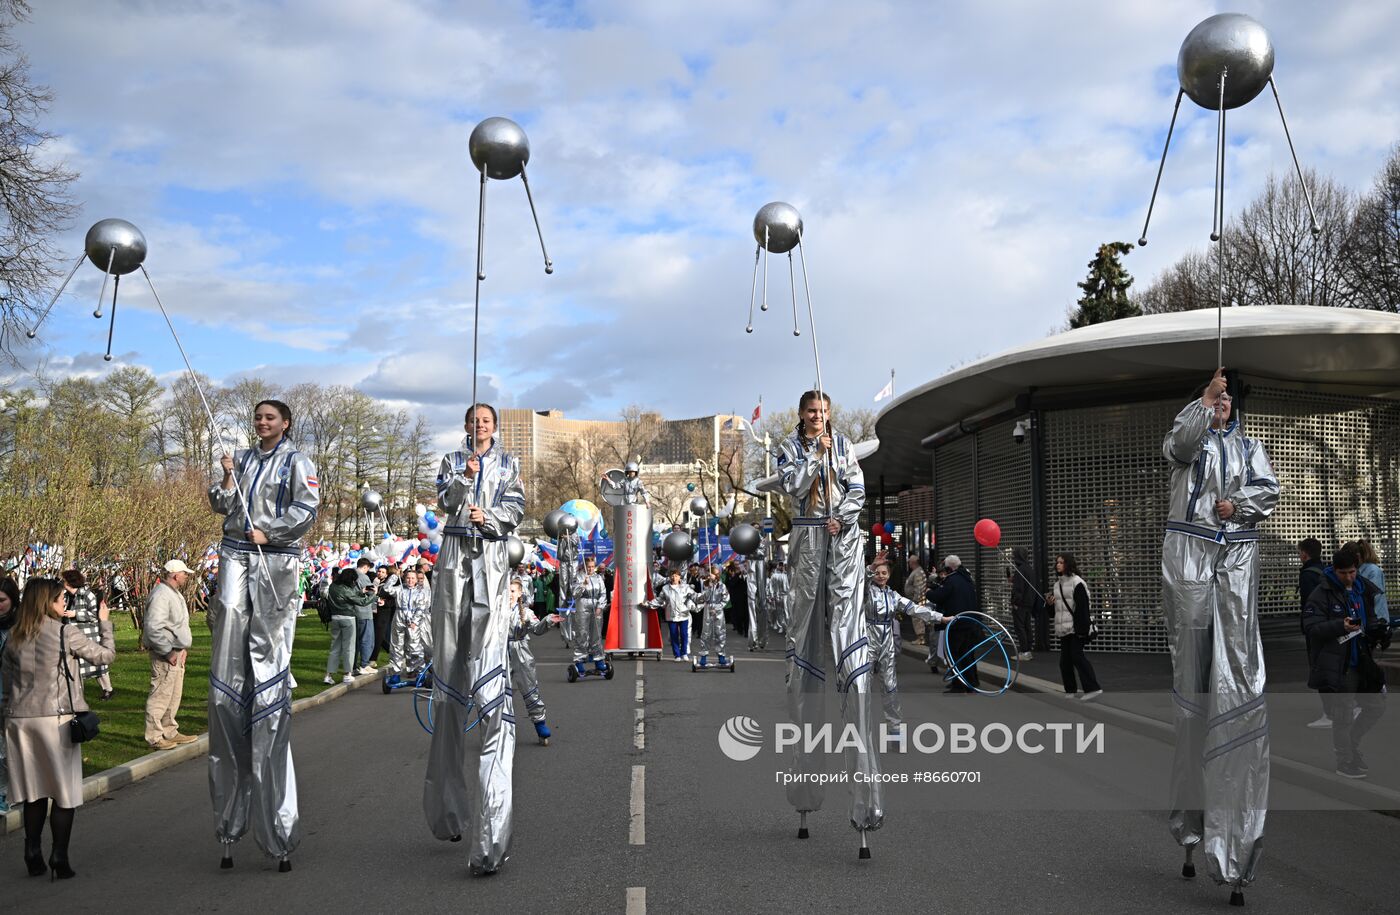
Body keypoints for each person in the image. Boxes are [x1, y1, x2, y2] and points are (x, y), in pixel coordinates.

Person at [1160, 368, 1279, 899]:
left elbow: (1268, 490)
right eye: (1216, 397)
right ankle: (1191, 825)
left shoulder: (1252, 448)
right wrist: (1202, 401)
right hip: (1188, 560)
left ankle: (1235, 845)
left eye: (1227, 398)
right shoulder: (1189, 440)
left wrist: (1240, 507)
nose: (1223, 403)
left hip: (1236, 562)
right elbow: (1180, 445)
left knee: (1238, 690)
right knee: (1193, 698)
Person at [755, 389, 881, 849]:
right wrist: (815, 456)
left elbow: (856, 489)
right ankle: (805, 791)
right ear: (801, 414)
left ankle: (866, 802)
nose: (818, 417)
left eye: (824, 412)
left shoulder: (845, 446)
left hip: (842, 543)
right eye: (812, 412)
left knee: (853, 661)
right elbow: (790, 485)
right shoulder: (792, 447)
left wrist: (844, 517)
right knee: (803, 665)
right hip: (807, 545)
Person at [208, 398, 320, 871]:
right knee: (230, 627)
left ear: (285, 423)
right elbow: (220, 505)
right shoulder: (244, 457)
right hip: (235, 553)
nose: (261, 422)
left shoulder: (298, 460)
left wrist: (271, 530)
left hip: (276, 558)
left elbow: (307, 505)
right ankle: (230, 821)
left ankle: (278, 828)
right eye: (257, 417)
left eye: (269, 417)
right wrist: (226, 477)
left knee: (269, 653)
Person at [423, 403, 525, 875]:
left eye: (486, 421)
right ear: (466, 425)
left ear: (494, 427)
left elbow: (517, 505)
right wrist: (463, 481)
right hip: (453, 561)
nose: (479, 426)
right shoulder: (451, 460)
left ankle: (491, 834)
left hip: (490, 558)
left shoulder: (509, 462)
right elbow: (444, 500)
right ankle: (446, 809)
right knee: (447, 680)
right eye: (474, 421)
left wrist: (491, 517)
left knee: (488, 681)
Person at [2, 577, 116, 879]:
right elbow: (105, 656)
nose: (64, 602)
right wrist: (105, 625)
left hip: (19, 719)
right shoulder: (65, 632)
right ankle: (59, 855)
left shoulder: (15, 635)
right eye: (59, 598)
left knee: (33, 792)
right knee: (64, 792)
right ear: (47, 601)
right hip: (56, 717)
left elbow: (6, 683)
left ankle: (32, 850)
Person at [1302, 547, 1389, 779]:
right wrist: (1340, 625)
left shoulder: (1363, 588)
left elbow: (1369, 620)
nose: (1349, 577)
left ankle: (1351, 745)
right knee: (1343, 714)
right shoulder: (1322, 593)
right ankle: (1345, 760)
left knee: (1376, 706)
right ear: (1334, 570)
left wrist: (1379, 630)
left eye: (1352, 572)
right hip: (1339, 663)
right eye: (1343, 573)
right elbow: (1311, 628)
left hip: (1363, 660)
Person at [865, 559, 943, 729]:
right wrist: (871, 567)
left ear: (889, 575)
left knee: (890, 687)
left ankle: (894, 729)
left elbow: (915, 608)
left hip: (887, 643)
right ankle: (860, 728)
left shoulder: (893, 596)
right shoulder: (866, 592)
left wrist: (941, 617)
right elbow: (860, 581)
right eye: (877, 573)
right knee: (862, 687)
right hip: (867, 643)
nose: (880, 576)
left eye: (884, 573)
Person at [141, 560, 199, 749]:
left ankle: (169, 730)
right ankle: (155, 736)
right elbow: (153, 628)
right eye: (184, 573)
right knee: (160, 695)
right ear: (175, 575)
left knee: (173, 695)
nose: (186, 576)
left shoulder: (171, 593)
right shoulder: (161, 595)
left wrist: (182, 649)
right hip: (166, 653)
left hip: (176, 652)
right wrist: (168, 651)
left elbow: (176, 625)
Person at [507, 580, 556, 745]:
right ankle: (500, 728)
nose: (510, 594)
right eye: (508, 591)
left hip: (520, 651)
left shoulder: (526, 612)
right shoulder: (497, 611)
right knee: (498, 690)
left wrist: (548, 620)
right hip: (500, 653)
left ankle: (540, 724)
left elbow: (537, 628)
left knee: (529, 688)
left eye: (513, 591)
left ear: (520, 593)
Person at [1046, 554, 1102, 701]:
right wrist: (1049, 604)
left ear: (1068, 564)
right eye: (1057, 562)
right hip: (1063, 629)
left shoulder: (1077, 583)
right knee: (1065, 661)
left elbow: (1083, 608)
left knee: (1076, 656)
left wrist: (1081, 630)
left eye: (1061, 562)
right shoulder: (1057, 585)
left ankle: (1093, 688)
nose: (1058, 565)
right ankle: (1070, 690)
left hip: (1076, 628)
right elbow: (1053, 613)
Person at [925, 555, 979, 692]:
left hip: (956, 623)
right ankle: (971, 681)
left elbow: (939, 596)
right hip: (970, 621)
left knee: (954, 654)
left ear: (949, 568)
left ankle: (959, 684)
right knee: (967, 654)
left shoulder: (952, 580)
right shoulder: (967, 578)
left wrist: (929, 592)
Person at [61, 571, 113, 701]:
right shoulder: (66, 596)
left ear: (69, 581)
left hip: (89, 634)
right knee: (77, 666)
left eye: (63, 580)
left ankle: (108, 690)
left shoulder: (87, 595)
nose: (61, 582)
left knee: (98, 665)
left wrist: (76, 614)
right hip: (74, 636)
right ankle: (78, 695)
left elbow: (95, 614)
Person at [1297, 538, 1330, 729]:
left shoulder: (1307, 575)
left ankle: (1330, 713)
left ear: (1304, 553)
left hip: (1315, 630)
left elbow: (1310, 605)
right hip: (1329, 626)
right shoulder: (1325, 571)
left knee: (1319, 668)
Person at [384, 567, 432, 684]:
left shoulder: (422, 592)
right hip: (399, 617)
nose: (410, 580)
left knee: (414, 646)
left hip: (413, 620)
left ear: (416, 580)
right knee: (396, 646)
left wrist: (415, 622)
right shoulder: (399, 589)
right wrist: (395, 575)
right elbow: (387, 588)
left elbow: (421, 608)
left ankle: (419, 672)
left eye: (412, 578)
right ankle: (395, 673)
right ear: (404, 578)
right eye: (408, 578)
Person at [323, 568, 370, 684]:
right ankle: (347, 674)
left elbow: (348, 595)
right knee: (349, 647)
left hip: (335, 618)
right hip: (348, 619)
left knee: (334, 648)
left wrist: (361, 591)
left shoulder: (333, 586)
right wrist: (374, 596)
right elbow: (361, 602)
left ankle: (328, 675)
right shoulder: (347, 590)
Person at [567, 554, 609, 677]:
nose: (590, 569)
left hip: (596, 607)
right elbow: (574, 594)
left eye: (592, 566)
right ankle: (579, 660)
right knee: (582, 634)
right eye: (588, 567)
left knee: (596, 635)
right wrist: (583, 585)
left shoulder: (598, 578)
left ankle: (599, 660)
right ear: (584, 566)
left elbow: (603, 593)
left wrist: (600, 607)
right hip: (582, 607)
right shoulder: (578, 577)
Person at [0, 577, 19, 814]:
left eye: (2, 600)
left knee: (8, 750)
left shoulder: (20, 627)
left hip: (12, 695)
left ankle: (8, 793)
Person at [651, 568, 697, 661]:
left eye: (676, 575)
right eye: (672, 575)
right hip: (671, 615)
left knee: (684, 634)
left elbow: (695, 596)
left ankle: (684, 653)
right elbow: (659, 600)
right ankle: (677, 655)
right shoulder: (665, 588)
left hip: (683, 614)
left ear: (679, 577)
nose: (674, 577)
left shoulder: (685, 587)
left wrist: (703, 598)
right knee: (674, 635)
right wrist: (648, 604)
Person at [695, 563, 731, 668]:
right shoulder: (706, 585)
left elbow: (726, 599)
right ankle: (703, 656)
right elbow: (704, 598)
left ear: (717, 575)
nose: (711, 576)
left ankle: (721, 656)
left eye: (713, 574)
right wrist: (709, 588)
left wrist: (718, 608)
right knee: (706, 632)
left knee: (720, 632)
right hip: (707, 609)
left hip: (718, 611)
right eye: (709, 574)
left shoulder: (722, 586)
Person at [1008, 547, 1038, 661]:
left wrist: (1015, 602)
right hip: (1029, 603)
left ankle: (1024, 651)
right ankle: (1028, 650)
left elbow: (1019, 589)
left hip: (1020, 604)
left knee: (1020, 627)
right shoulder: (1029, 569)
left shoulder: (1020, 569)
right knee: (1027, 626)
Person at [903, 555, 928, 646]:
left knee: (917, 618)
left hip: (917, 600)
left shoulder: (917, 572)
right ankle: (919, 637)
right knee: (916, 618)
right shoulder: (916, 571)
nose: (908, 564)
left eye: (909, 562)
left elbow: (919, 587)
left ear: (913, 562)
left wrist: (916, 600)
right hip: (916, 599)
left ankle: (921, 638)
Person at [767, 560, 790, 636]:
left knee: (787, 612)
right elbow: (771, 586)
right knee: (779, 613)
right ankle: (781, 626)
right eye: (780, 565)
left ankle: (788, 629)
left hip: (786, 596)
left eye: (782, 565)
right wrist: (771, 595)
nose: (781, 567)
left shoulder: (787, 574)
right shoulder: (774, 576)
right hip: (778, 596)